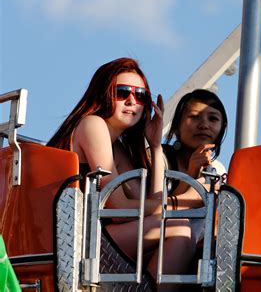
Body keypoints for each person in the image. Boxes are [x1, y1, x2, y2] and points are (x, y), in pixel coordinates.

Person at [48, 57, 201, 288]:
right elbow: (120, 210)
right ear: (104, 93)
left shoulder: (116, 145)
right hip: (77, 240)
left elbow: (148, 204)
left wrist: (156, 146)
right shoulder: (93, 124)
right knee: (178, 227)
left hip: (95, 238)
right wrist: (189, 201)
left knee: (177, 226)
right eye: (122, 92)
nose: (132, 100)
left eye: (141, 96)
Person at [163, 89, 228, 243]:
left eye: (212, 119)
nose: (204, 125)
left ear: (222, 128)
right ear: (177, 125)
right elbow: (158, 212)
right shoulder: (161, 159)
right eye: (194, 117)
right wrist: (191, 175)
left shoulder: (218, 169)